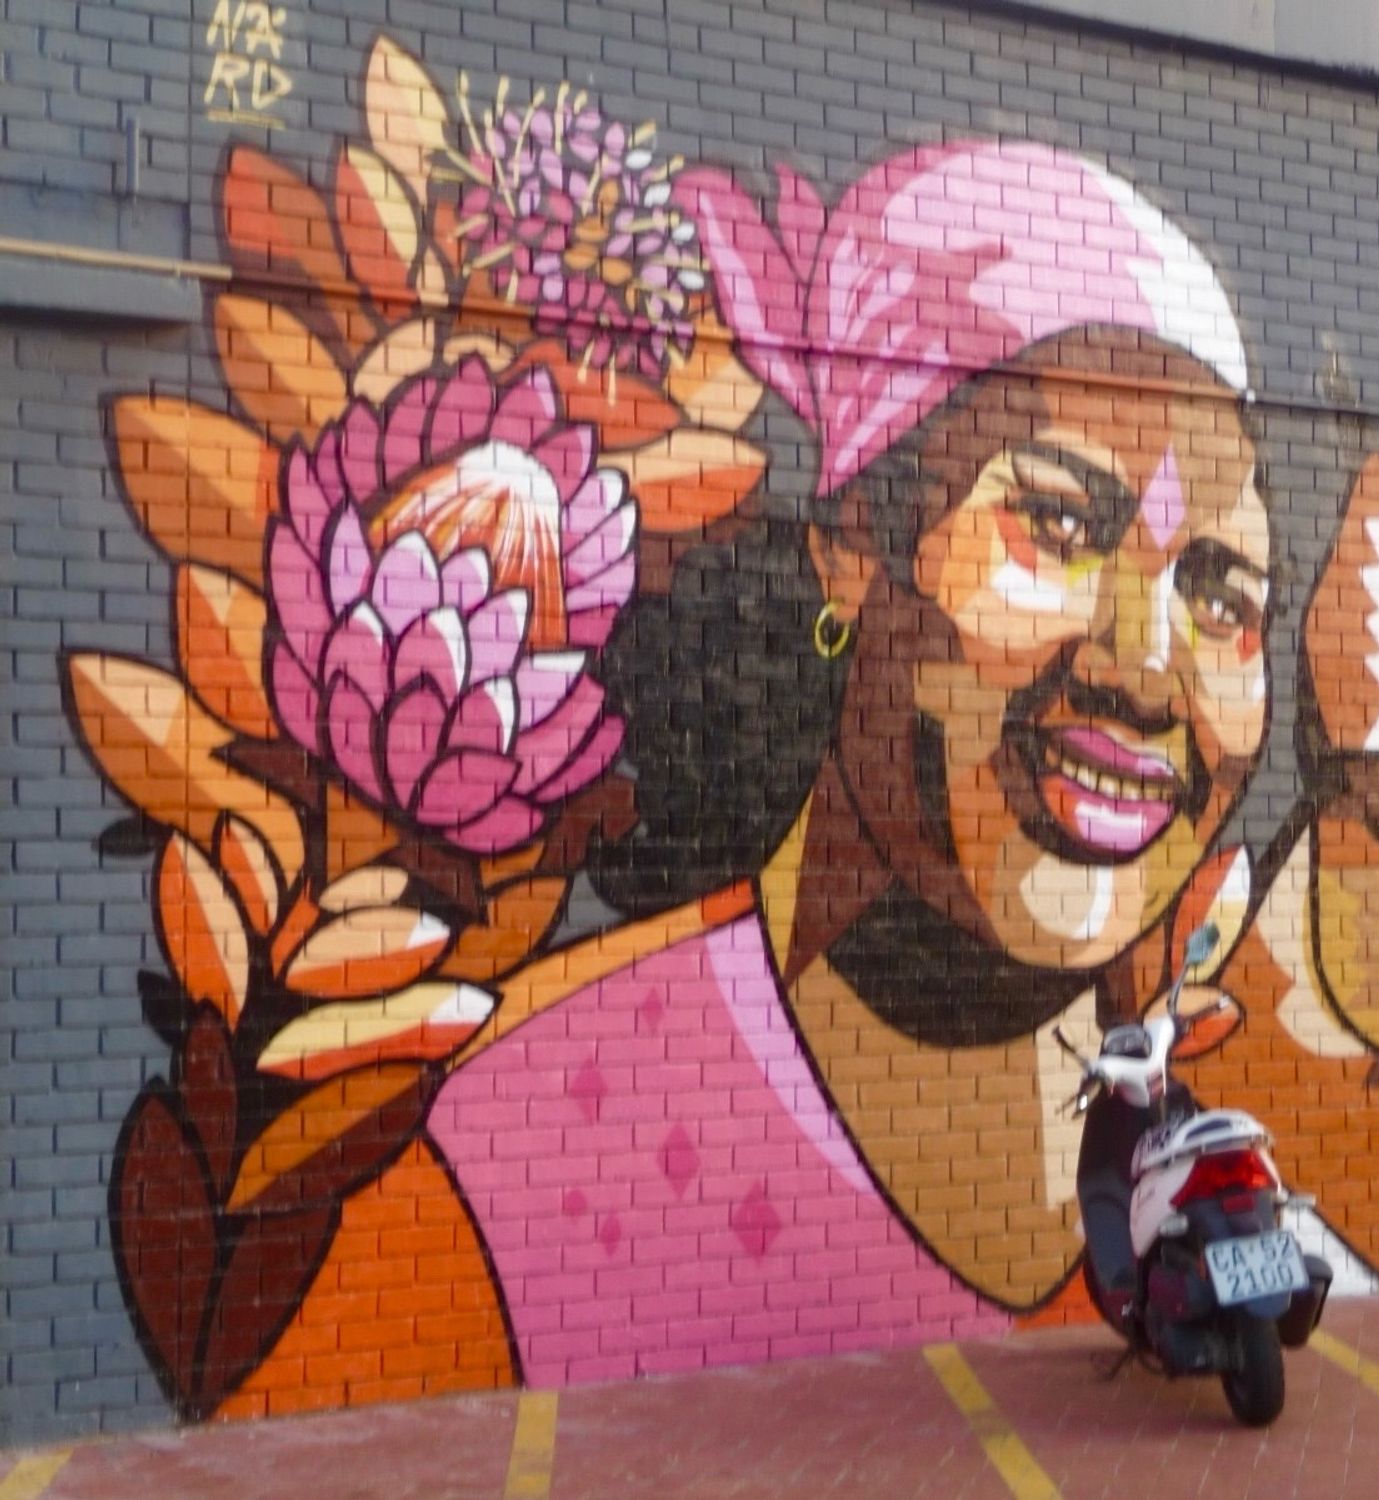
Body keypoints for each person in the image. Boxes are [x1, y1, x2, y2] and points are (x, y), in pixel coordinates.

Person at [257, 140, 1276, 1390]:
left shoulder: (1223, 1141)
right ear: (852, 546)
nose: (1144, 668)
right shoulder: (490, 1169)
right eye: (1056, 523)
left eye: (1226, 596)